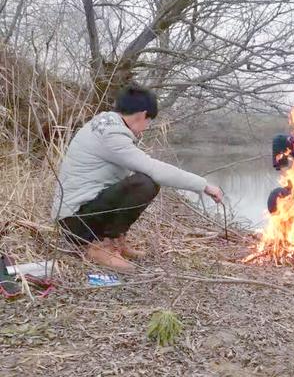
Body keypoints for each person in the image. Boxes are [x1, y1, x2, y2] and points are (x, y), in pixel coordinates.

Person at [52, 84, 223, 272]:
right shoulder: (112, 136)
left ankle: (116, 241)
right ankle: (101, 246)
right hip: (76, 223)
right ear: (142, 115)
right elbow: (155, 169)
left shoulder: (104, 124)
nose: (145, 128)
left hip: (77, 215)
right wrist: (204, 185)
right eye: (149, 121)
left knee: (140, 183)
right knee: (145, 183)